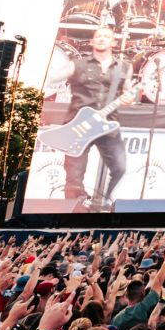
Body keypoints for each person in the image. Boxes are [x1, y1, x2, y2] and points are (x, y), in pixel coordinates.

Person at [46, 25, 136, 213]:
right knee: (74, 175)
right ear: (92, 42)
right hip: (77, 125)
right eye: (98, 36)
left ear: (113, 42)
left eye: (106, 36)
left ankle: (103, 203)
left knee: (120, 167)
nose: (102, 38)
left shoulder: (124, 67)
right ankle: (76, 212)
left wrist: (129, 99)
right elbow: (51, 78)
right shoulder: (78, 64)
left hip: (108, 124)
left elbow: (128, 93)